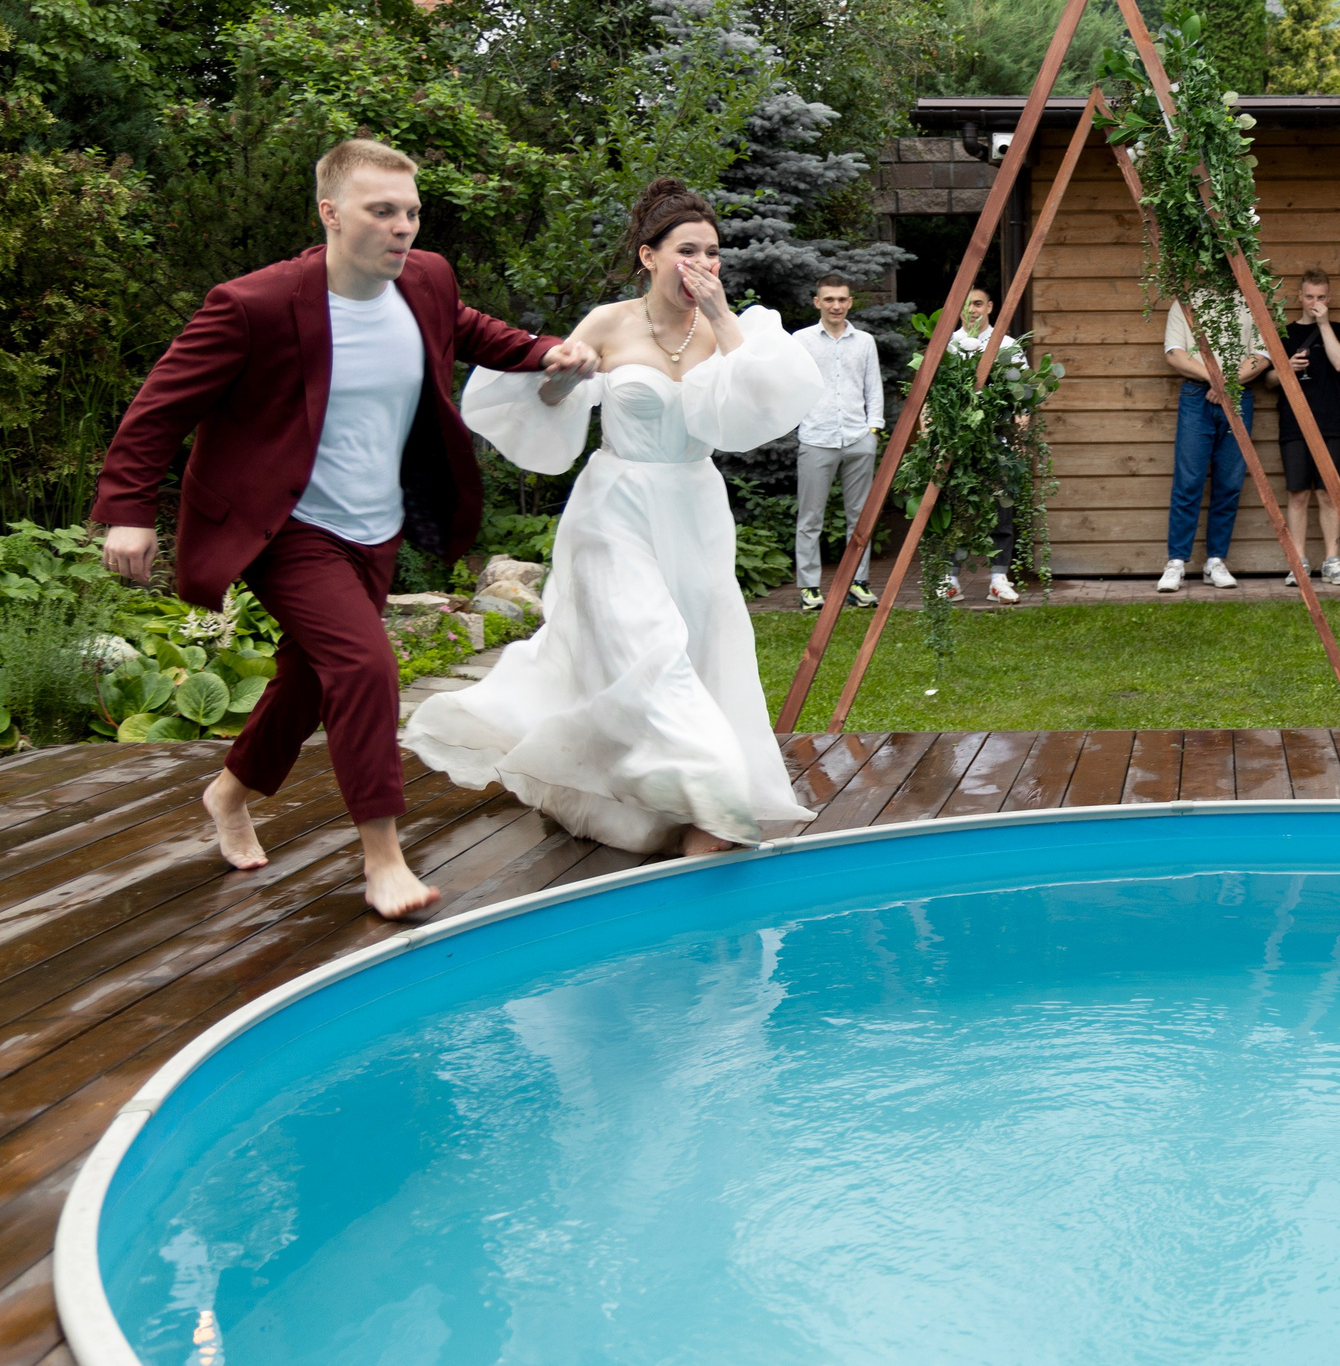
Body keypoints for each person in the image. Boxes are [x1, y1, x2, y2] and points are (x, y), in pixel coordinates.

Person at [90, 139, 595, 919]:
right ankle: (384, 858)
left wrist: (539, 351)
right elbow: (159, 408)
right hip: (285, 523)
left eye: (412, 212)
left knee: (311, 679)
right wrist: (127, 510)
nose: (403, 228)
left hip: (375, 523)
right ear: (330, 213)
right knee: (364, 667)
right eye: (382, 211)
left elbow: (461, 326)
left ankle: (228, 790)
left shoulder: (423, 279)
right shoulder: (253, 305)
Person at [404, 180, 823, 857]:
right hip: (614, 510)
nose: (704, 264)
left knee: (695, 650)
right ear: (649, 256)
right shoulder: (608, 320)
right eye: (688, 250)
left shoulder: (729, 332)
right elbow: (547, 390)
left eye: (714, 253)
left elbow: (762, 407)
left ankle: (655, 805)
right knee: (647, 645)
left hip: (694, 512)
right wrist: (568, 376)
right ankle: (713, 797)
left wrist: (723, 318)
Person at [1160, 293, 1269, 592]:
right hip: (1197, 397)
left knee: (1229, 482)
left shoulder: (1250, 302)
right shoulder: (1185, 303)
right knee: (1188, 480)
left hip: (1239, 397)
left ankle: (1215, 561)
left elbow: (1261, 356)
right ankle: (1176, 562)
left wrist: (1226, 385)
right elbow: (1174, 353)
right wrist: (1216, 380)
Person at [792, 275, 882, 613]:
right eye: (829, 299)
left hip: (859, 439)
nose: (836, 305)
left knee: (860, 518)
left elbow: (873, 387)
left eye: (842, 299)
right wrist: (802, 423)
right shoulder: (800, 341)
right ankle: (809, 587)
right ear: (817, 302)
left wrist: (874, 429)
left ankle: (857, 583)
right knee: (810, 517)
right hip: (816, 439)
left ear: (850, 302)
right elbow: (791, 386)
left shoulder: (865, 342)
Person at [1272, 269, 1340, 585]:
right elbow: (1268, 380)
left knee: (1328, 493)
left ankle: (1332, 561)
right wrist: (1286, 370)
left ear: (1329, 298)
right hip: (1293, 423)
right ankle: (1299, 562)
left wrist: (1323, 325)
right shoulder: (1283, 332)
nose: (1315, 302)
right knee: (1297, 494)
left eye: (1321, 297)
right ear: (1300, 297)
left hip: (1331, 424)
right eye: (1309, 296)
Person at [944, 285, 1028, 605]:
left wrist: (1018, 443)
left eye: (978, 304)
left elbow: (1022, 399)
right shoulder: (947, 345)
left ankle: (998, 579)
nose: (972, 311)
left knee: (1001, 513)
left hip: (999, 441)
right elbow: (932, 397)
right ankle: (950, 580)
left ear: (990, 307)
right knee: (954, 512)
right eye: (966, 305)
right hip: (957, 444)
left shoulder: (1007, 346)